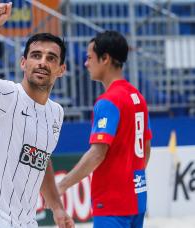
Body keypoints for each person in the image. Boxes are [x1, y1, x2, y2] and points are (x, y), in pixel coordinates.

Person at [0, 2, 74, 228]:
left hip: (26, 221)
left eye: (51, 58)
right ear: (23, 63)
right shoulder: (7, 95)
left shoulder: (56, 112)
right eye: (36, 55)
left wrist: (58, 208)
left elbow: (42, 159)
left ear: (62, 69)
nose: (42, 62)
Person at [57, 31, 152, 228]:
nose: (86, 64)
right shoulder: (137, 96)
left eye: (89, 57)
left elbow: (97, 154)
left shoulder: (108, 101)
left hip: (112, 201)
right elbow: (146, 149)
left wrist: (61, 185)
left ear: (105, 59)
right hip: (137, 197)